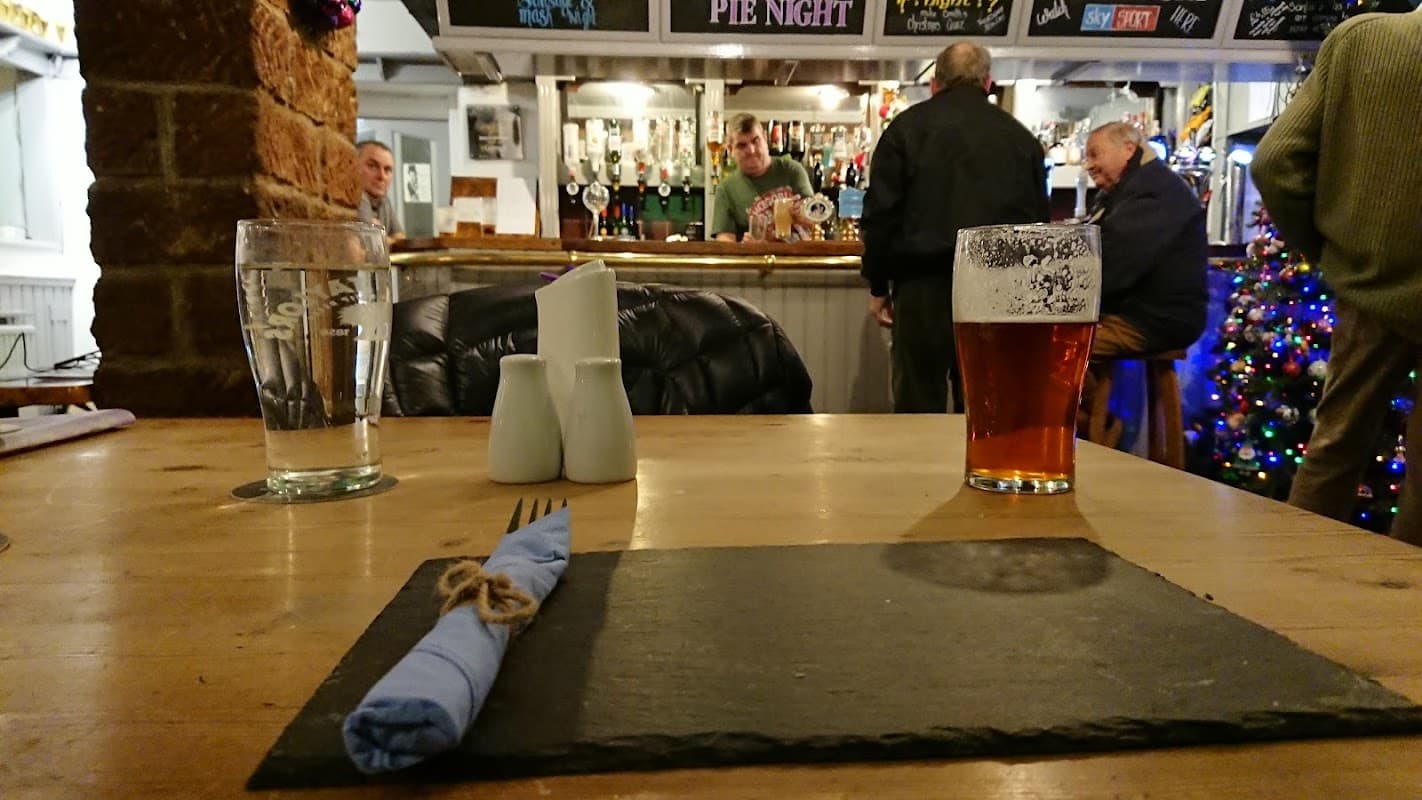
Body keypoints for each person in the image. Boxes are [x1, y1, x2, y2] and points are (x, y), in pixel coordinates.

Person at [1251, 5, 1422, 545]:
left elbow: (1274, 162)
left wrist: (1329, 254)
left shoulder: (1361, 40)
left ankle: (1296, 580)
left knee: (1335, 448)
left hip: (1369, 290)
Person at [860, 42, 1048, 414]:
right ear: (988, 82)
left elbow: (880, 214)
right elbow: (1037, 227)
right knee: (986, 408)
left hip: (922, 289)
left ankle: (920, 456)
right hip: (997, 290)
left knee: (917, 407)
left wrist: (879, 285)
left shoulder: (906, 129)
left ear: (935, 83)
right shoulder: (1021, 139)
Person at [1080, 121, 1208, 359]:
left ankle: (1083, 385)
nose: (1089, 165)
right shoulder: (1128, 189)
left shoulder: (1152, 192)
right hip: (1139, 312)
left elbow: (1112, 268)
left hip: (1154, 319)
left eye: (1095, 154)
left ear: (1128, 149)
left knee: (1056, 347)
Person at [712, 113, 813, 242]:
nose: (751, 150)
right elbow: (724, 240)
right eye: (742, 145)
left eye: (755, 141)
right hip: (753, 255)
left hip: (796, 253)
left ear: (765, 139)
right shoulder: (726, 188)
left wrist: (802, 215)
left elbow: (816, 221)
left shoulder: (792, 170)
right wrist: (745, 248)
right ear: (730, 149)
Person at [356, 140, 404, 240]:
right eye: (372, 166)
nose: (382, 176)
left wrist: (383, 237)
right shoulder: (355, 197)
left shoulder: (384, 200)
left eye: (387, 169)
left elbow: (400, 237)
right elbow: (372, 240)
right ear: (353, 165)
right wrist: (385, 238)